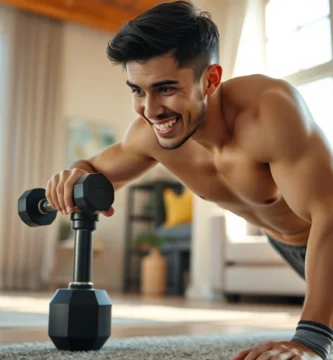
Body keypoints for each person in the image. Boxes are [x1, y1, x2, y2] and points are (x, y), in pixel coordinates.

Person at [45, 1, 333, 359]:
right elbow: (93, 167)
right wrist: (76, 175)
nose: (150, 110)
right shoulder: (150, 135)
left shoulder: (269, 113)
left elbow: (329, 215)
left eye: (166, 89)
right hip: (290, 246)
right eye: (137, 90)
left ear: (210, 79)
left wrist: (311, 340)